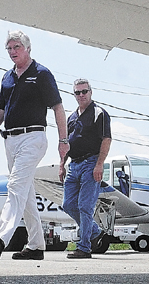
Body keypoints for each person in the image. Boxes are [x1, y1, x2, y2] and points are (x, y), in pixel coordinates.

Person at [0, 30, 68, 260]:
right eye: (9, 48)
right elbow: (0, 111)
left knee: (15, 185)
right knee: (25, 194)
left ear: (27, 48)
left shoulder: (42, 74)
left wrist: (63, 141)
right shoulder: (7, 77)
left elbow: (58, 108)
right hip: (10, 140)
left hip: (33, 138)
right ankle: (36, 245)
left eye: (16, 47)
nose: (12, 52)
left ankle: (1, 238)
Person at [60, 78, 112, 259]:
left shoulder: (100, 113)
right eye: (77, 92)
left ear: (91, 92)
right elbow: (66, 142)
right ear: (73, 95)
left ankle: (84, 247)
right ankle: (95, 232)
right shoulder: (72, 117)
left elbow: (106, 140)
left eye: (84, 91)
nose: (81, 95)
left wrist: (99, 164)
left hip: (91, 163)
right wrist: (62, 164)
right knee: (67, 204)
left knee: (85, 206)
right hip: (73, 165)